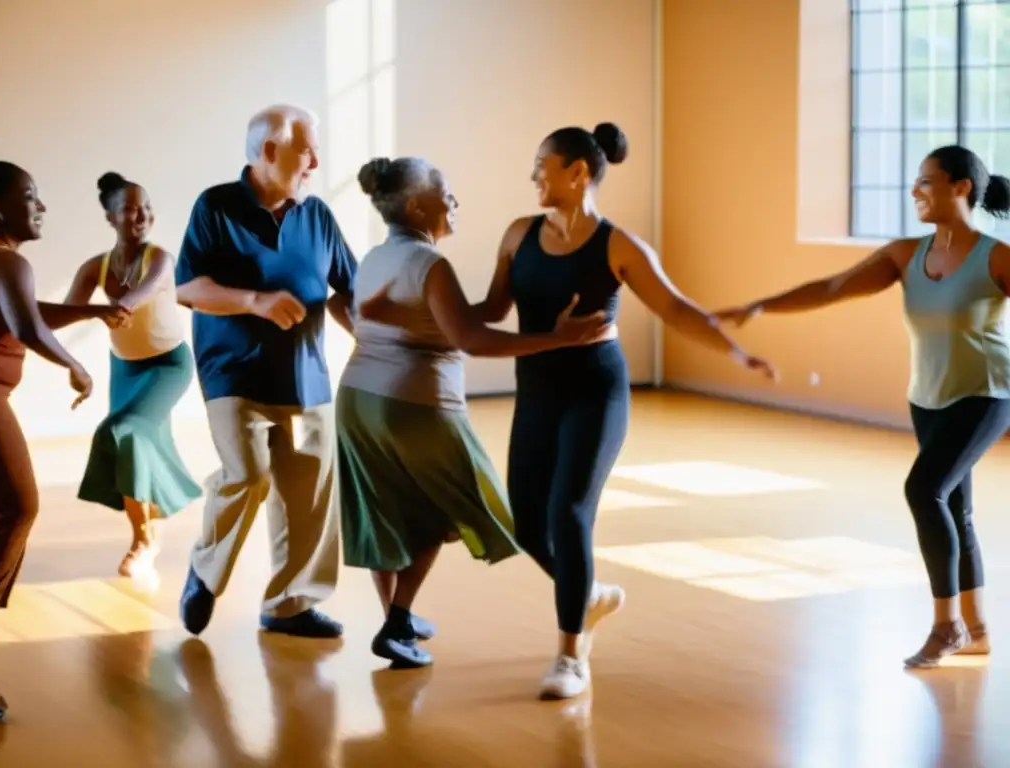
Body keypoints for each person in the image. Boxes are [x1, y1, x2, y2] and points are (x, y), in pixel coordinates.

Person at [472, 123, 777, 700]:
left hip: (595, 388)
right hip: (536, 386)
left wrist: (734, 350)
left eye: (544, 163)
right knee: (526, 521)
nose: (534, 174)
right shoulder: (518, 235)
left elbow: (677, 309)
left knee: (569, 513)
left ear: (578, 172)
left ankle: (570, 655)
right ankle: (586, 594)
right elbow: (491, 307)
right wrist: (427, 308)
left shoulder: (618, 245)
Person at [713, 144, 1010, 669]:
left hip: (987, 393)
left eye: (927, 180)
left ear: (961, 187)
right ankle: (979, 628)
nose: (915, 190)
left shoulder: (996, 256)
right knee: (955, 510)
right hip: (928, 397)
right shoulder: (905, 255)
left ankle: (947, 627)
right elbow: (833, 287)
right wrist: (762, 306)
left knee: (924, 490)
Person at [338, 156, 609, 669]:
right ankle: (398, 619)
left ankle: (396, 618)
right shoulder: (429, 264)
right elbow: (471, 338)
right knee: (446, 509)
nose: (455, 199)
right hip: (417, 404)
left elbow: (463, 315)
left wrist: (510, 290)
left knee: (388, 512)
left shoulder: (375, 257)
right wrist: (558, 338)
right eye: (445, 190)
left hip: (358, 399)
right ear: (418, 206)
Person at [174, 105, 358, 639]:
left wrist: (375, 338)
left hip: (306, 378)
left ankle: (290, 604)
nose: (316, 163)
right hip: (234, 374)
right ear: (269, 151)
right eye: (307, 151)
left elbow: (348, 290)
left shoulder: (317, 214)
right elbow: (189, 288)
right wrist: (254, 300)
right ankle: (206, 571)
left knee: (308, 493)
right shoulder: (216, 206)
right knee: (248, 475)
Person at [0, 160, 128, 722]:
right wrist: (76, 366)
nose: (40, 205)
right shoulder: (7, 260)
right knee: (18, 508)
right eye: (29, 195)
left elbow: (28, 313)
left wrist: (91, 311)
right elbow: (26, 326)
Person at [64, 172, 202, 578]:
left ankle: (145, 539)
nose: (141, 214)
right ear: (111, 218)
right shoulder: (96, 266)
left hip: (167, 365)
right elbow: (67, 313)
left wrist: (117, 307)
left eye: (146, 206)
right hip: (124, 369)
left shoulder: (159, 257)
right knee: (132, 445)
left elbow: (140, 295)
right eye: (129, 208)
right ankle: (144, 537)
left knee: (123, 431)